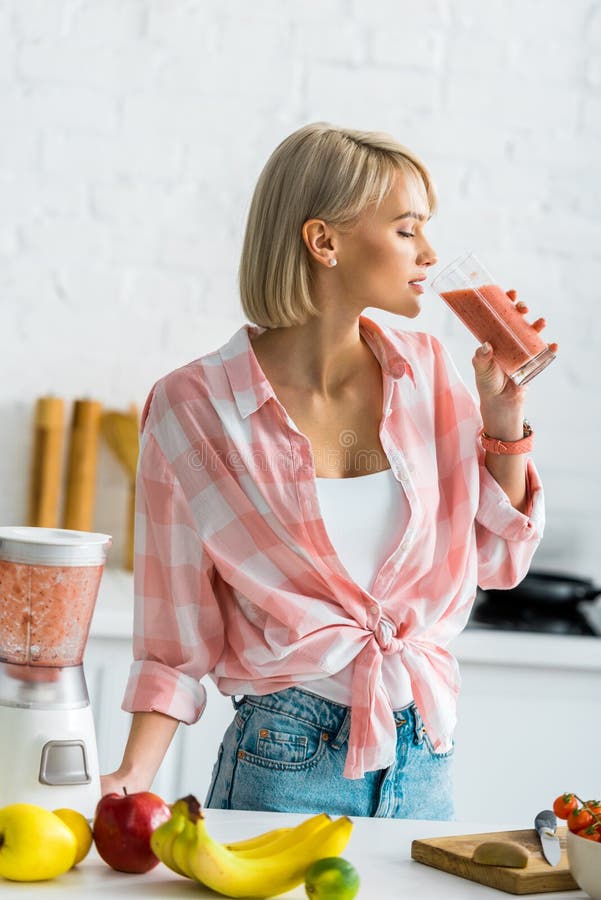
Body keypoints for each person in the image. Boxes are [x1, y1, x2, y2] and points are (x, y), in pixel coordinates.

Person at [101, 122, 549, 819]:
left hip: (424, 755)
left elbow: (497, 562)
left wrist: (503, 424)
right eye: (406, 230)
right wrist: (131, 777)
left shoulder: (430, 374)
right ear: (324, 241)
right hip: (283, 758)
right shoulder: (192, 409)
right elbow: (173, 641)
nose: (428, 252)